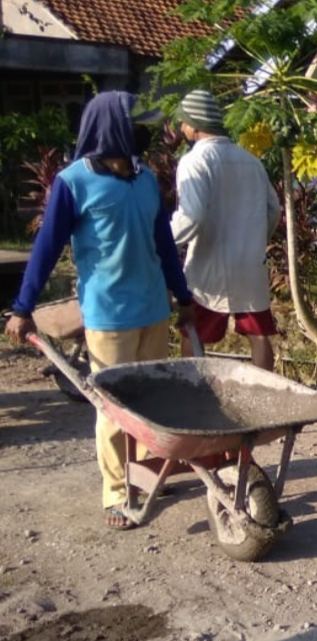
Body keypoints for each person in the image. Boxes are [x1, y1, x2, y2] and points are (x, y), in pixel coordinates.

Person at [5, 91, 196, 531]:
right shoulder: (74, 182)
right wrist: (23, 307)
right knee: (113, 409)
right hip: (109, 314)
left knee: (153, 399)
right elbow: (46, 248)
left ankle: (149, 473)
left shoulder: (146, 178)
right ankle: (116, 491)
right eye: (136, 123)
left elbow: (164, 245)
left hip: (153, 308)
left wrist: (182, 297)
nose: (145, 132)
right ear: (112, 128)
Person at [171, 89, 282, 370]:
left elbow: (191, 215)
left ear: (195, 125)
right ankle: (264, 396)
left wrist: (162, 240)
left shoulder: (194, 161)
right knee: (258, 334)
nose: (181, 127)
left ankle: (195, 391)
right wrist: (257, 240)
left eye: (183, 121)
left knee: (192, 328)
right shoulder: (251, 160)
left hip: (209, 263)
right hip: (248, 262)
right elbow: (274, 209)